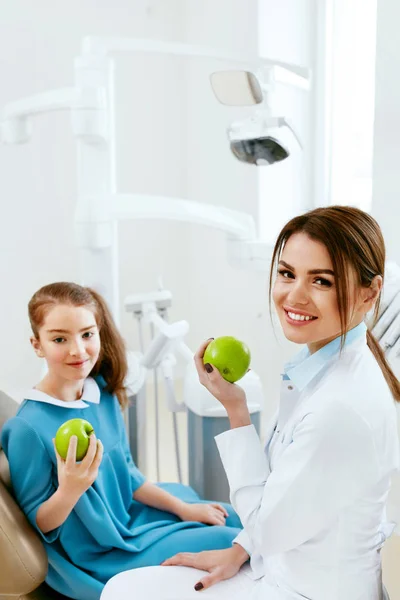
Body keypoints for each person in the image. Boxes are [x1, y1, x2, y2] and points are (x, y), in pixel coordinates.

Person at [101, 206, 400, 600]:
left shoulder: (341, 408)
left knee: (124, 592)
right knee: (125, 587)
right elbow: (284, 499)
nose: (294, 296)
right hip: (281, 568)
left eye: (321, 281)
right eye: (287, 273)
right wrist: (238, 551)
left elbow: (267, 526)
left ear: (370, 292)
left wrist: (236, 413)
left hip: (308, 591)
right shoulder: (320, 367)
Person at [1, 282, 242, 600]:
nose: (78, 349)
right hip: (97, 552)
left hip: (130, 517)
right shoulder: (28, 429)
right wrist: (70, 488)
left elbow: (127, 474)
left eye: (87, 334)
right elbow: (40, 524)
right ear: (37, 345)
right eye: (60, 338)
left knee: (238, 517)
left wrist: (184, 509)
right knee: (235, 540)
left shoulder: (99, 392)